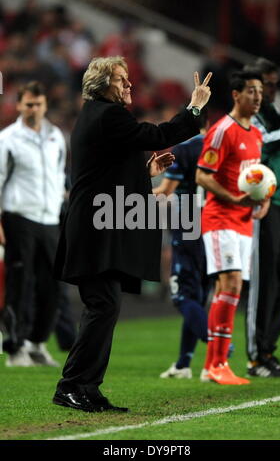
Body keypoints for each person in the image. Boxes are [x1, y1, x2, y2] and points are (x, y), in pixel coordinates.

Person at [52, 56, 212, 413]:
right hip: (95, 228)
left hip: (95, 225)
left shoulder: (97, 116)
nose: (129, 85)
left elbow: (105, 170)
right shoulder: (109, 115)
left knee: (104, 305)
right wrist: (194, 107)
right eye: (121, 79)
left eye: (127, 78)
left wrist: (145, 171)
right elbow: (157, 135)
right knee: (103, 305)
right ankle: (72, 386)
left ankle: (87, 386)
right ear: (100, 85)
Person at [196, 70, 269, 385]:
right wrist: (233, 198)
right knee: (232, 284)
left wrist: (262, 199)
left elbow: (256, 178)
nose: (258, 97)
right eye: (252, 91)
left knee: (227, 290)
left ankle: (213, 364)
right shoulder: (223, 130)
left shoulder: (256, 134)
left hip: (243, 222)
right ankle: (218, 363)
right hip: (220, 218)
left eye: (260, 92)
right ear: (236, 94)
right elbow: (202, 175)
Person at [0, 81, 66, 367]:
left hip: (50, 218)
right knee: (20, 283)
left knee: (53, 287)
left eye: (38, 104)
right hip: (19, 217)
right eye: (28, 104)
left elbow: (59, 175)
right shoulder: (8, 139)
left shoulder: (56, 137)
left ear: (45, 105)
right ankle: (15, 348)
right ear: (18, 106)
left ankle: (37, 343)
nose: (33, 109)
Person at [245, 58, 280, 377]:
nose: (275, 88)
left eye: (276, 83)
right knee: (264, 281)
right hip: (260, 205)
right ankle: (255, 356)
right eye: (269, 83)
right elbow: (261, 146)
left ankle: (268, 350)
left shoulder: (274, 113)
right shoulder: (250, 116)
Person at [153, 109, 211, 381]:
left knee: (182, 295)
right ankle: (183, 363)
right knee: (198, 296)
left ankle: (219, 344)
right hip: (216, 226)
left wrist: (134, 188)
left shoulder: (184, 149)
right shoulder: (220, 146)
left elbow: (165, 191)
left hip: (188, 221)